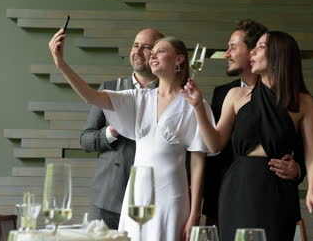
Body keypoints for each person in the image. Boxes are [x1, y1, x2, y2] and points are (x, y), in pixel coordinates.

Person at [49, 30, 215, 241]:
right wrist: (60, 63)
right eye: (151, 52)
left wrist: (194, 214)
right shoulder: (139, 99)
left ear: (179, 59)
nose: (151, 56)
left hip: (172, 197)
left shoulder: (194, 105)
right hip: (137, 197)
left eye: (159, 51)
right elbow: (91, 96)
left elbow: (198, 163)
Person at [183, 31, 313, 241]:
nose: (252, 51)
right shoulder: (235, 96)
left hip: (277, 193)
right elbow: (214, 145)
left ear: (279, 56)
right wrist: (197, 107)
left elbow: (312, 153)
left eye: (260, 47)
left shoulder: (303, 102)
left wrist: (312, 191)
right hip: (237, 189)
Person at [203, 20, 307, 225]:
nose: (226, 54)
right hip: (231, 194)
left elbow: (304, 152)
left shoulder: (293, 98)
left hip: (275, 194)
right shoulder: (225, 93)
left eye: (233, 47)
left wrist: (298, 171)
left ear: (253, 51)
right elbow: (215, 150)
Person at [80, 29, 163, 229]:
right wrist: (113, 131)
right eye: (136, 45)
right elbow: (86, 140)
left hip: (150, 201)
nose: (138, 51)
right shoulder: (110, 89)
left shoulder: (170, 94)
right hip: (107, 199)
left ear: (158, 54)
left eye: (146, 47)